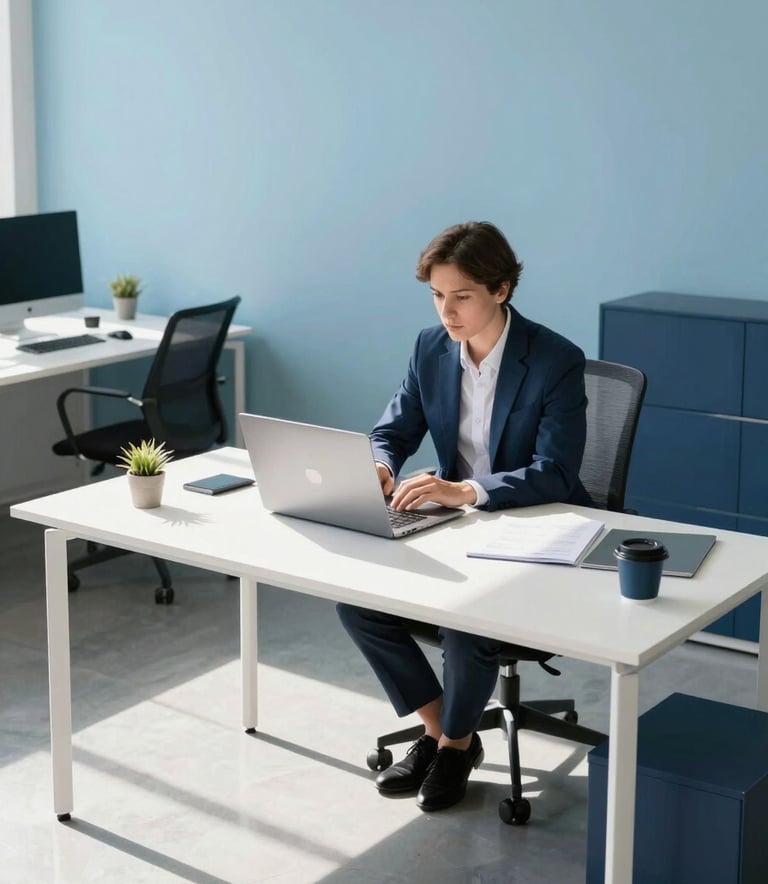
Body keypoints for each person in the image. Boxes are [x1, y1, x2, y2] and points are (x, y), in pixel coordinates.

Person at [337, 221, 591, 813]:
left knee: (466, 622)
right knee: (358, 605)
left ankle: (453, 747)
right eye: (436, 296)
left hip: (534, 529)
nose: (446, 311)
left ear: (501, 290)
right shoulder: (430, 347)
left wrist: (467, 491)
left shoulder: (555, 360)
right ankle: (440, 729)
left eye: (461, 296)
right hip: (456, 527)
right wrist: (380, 464)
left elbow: (555, 471)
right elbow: (391, 430)